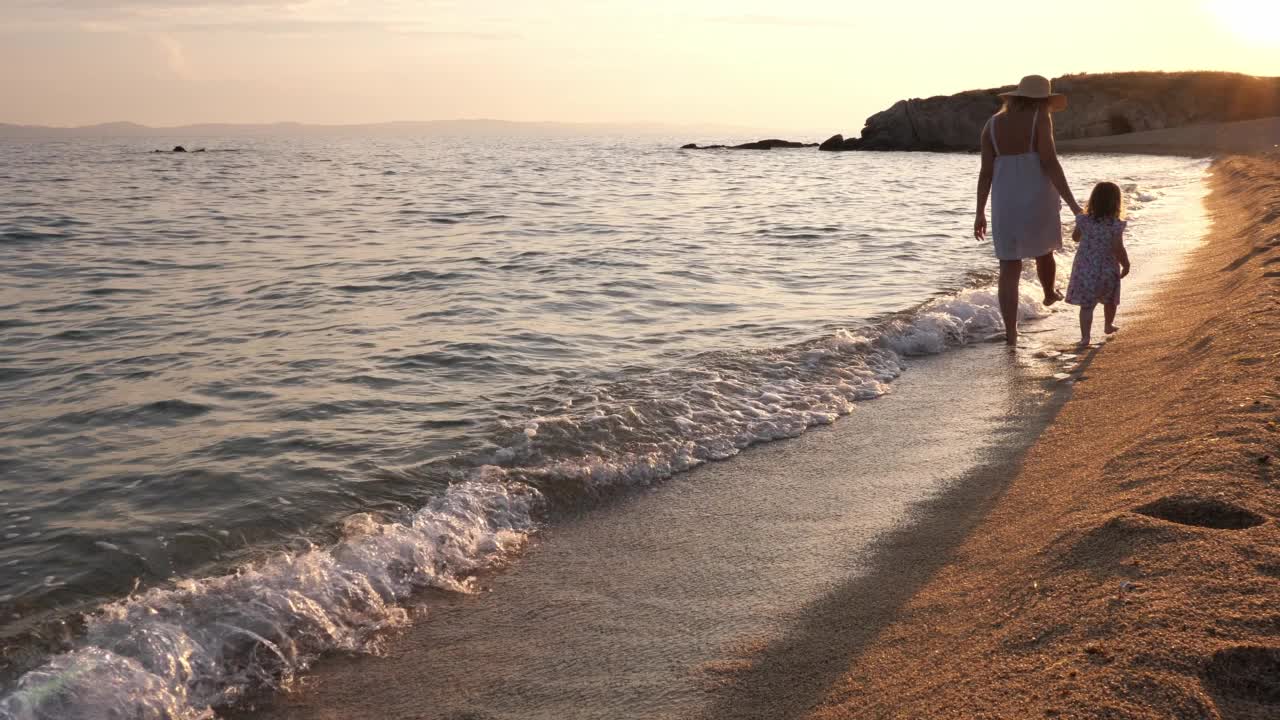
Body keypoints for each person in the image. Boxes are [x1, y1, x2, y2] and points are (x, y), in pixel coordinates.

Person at [974, 75, 1084, 345]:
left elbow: (985, 173)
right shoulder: (1040, 118)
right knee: (1044, 250)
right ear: (1042, 101)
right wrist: (1074, 206)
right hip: (1037, 197)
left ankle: (1011, 334)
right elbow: (1050, 162)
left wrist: (980, 212)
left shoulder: (991, 124)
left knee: (1008, 268)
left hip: (1004, 203)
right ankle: (1048, 293)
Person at [1066, 182, 1130, 346]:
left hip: (1086, 268)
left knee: (1087, 305)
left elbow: (1075, 238)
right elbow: (1118, 247)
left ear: (1093, 200)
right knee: (1110, 300)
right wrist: (1126, 263)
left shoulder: (1083, 220)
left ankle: (1085, 337)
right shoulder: (1116, 224)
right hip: (1107, 267)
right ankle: (1108, 325)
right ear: (1116, 202)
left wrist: (1084, 231)